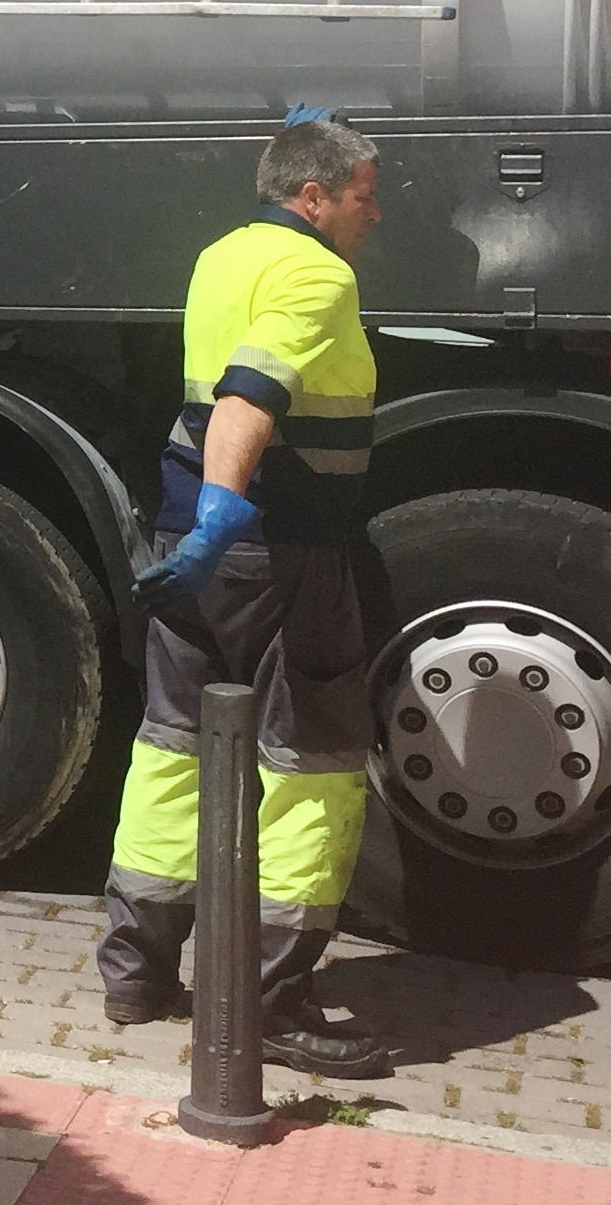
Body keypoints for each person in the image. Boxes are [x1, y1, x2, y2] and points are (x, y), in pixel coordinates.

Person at [100, 112, 392, 1078]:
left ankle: (136, 972)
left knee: (172, 748)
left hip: (190, 550)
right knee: (312, 766)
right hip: (282, 548)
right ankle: (272, 1002)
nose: (373, 215)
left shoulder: (222, 255)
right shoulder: (319, 273)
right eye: (362, 196)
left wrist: (200, 529)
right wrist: (228, 511)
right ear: (313, 197)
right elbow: (247, 394)